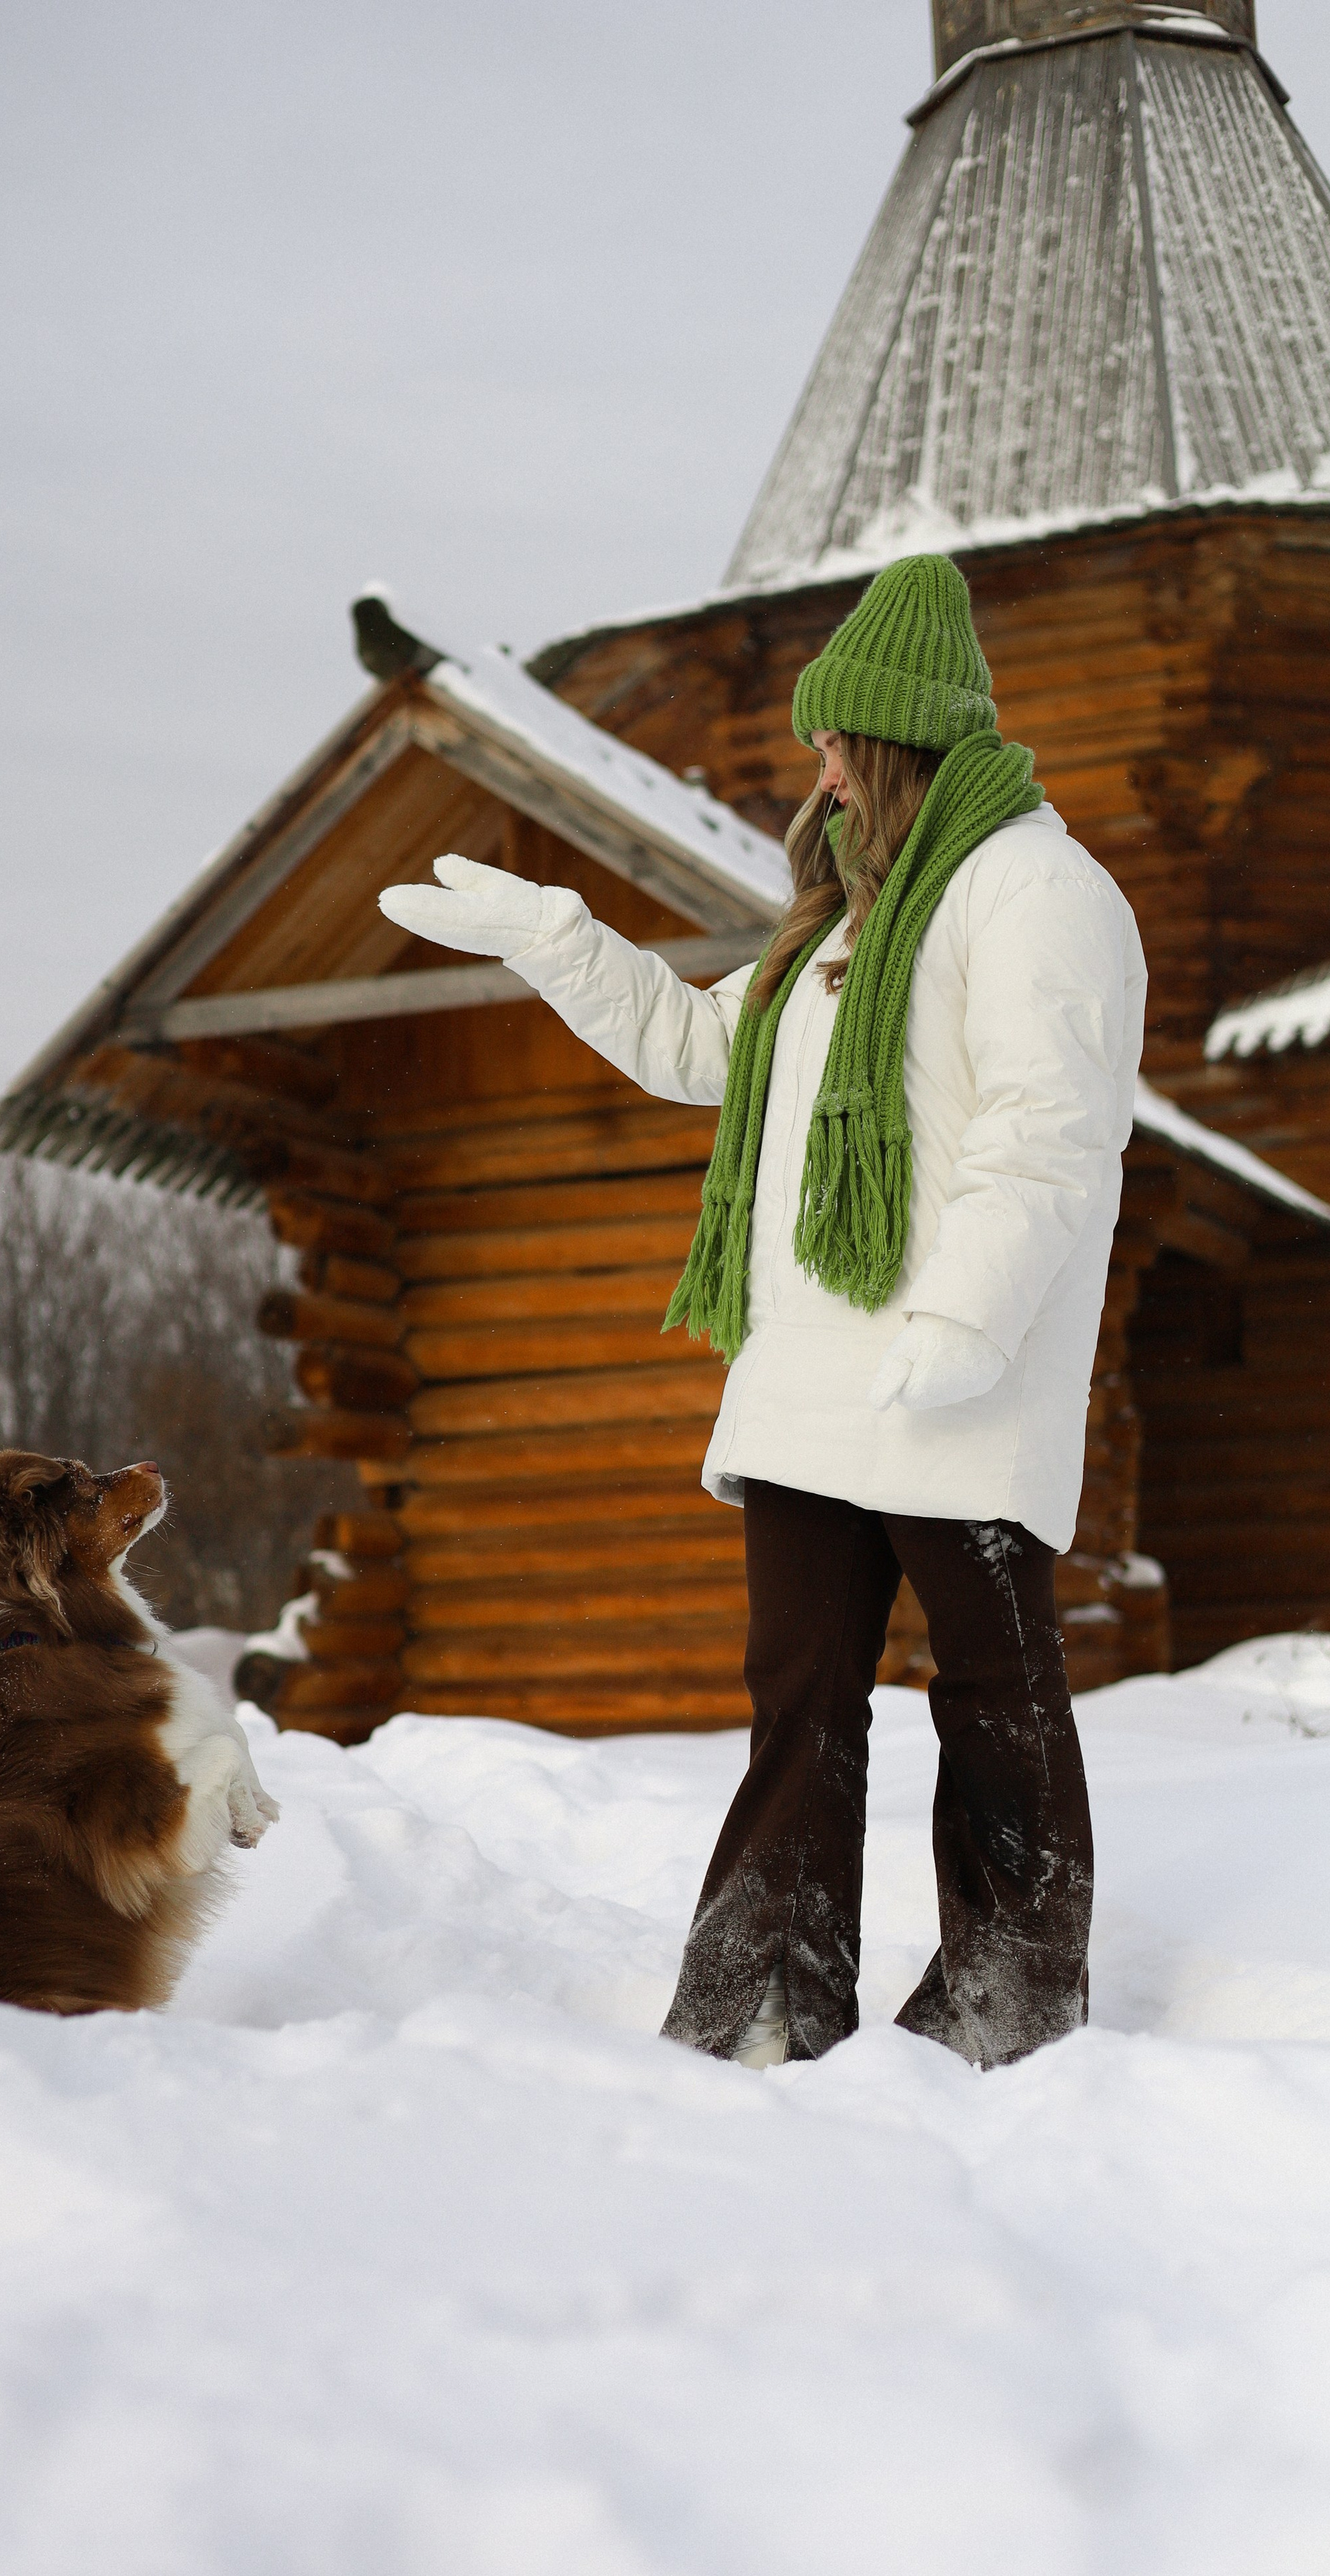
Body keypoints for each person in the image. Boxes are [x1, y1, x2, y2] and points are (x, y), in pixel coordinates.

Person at [379, 553, 1147, 2072]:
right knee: (801, 1701)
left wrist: (964, 1323)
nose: (812, 766)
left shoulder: (1033, 893)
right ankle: (763, 1998)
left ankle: (1009, 2000)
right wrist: (560, 943)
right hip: (810, 1385)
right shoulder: (829, 937)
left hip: (953, 1380)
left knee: (993, 1692)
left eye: (831, 737)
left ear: (889, 740)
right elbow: (696, 1051)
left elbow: (1044, 1132)